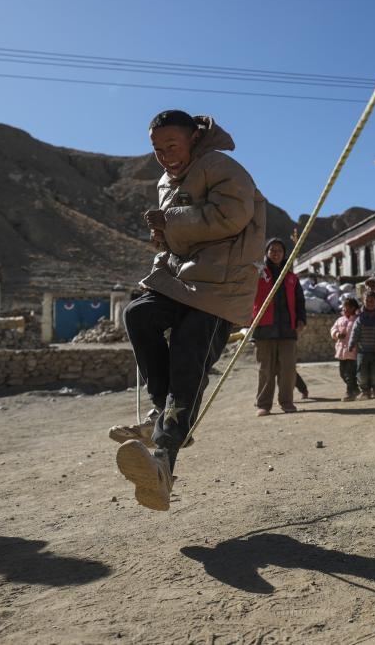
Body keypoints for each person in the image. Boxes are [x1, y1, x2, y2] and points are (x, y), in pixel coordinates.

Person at [112, 110, 265, 511]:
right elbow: (180, 238)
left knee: (187, 365)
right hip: (182, 280)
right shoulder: (166, 181)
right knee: (138, 315)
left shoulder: (222, 167)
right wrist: (162, 237)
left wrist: (171, 221)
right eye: (158, 150)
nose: (165, 157)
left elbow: (231, 217)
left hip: (220, 288)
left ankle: (162, 461)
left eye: (172, 147)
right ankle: (165, 416)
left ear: (195, 138)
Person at [253, 238, 306, 417]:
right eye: (272, 250)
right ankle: (264, 404)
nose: (276, 253)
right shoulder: (259, 272)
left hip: (287, 329)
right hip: (264, 328)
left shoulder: (291, 277)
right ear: (266, 253)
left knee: (288, 368)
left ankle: (286, 401)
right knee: (266, 369)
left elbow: (300, 300)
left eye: (279, 250)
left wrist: (301, 320)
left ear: (284, 254)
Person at [349, 291, 375, 399]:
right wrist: (351, 343)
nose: (370, 303)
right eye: (367, 300)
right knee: (362, 373)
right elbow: (355, 331)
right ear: (363, 301)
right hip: (362, 351)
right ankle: (365, 391)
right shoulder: (360, 318)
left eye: (372, 301)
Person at [331, 297, 361, 401]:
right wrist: (337, 334)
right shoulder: (340, 320)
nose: (344, 309)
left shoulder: (358, 320)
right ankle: (356, 389)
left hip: (352, 351)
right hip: (341, 352)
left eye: (347, 307)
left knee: (349, 374)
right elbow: (333, 329)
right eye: (344, 307)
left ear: (353, 308)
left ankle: (350, 393)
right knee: (342, 373)